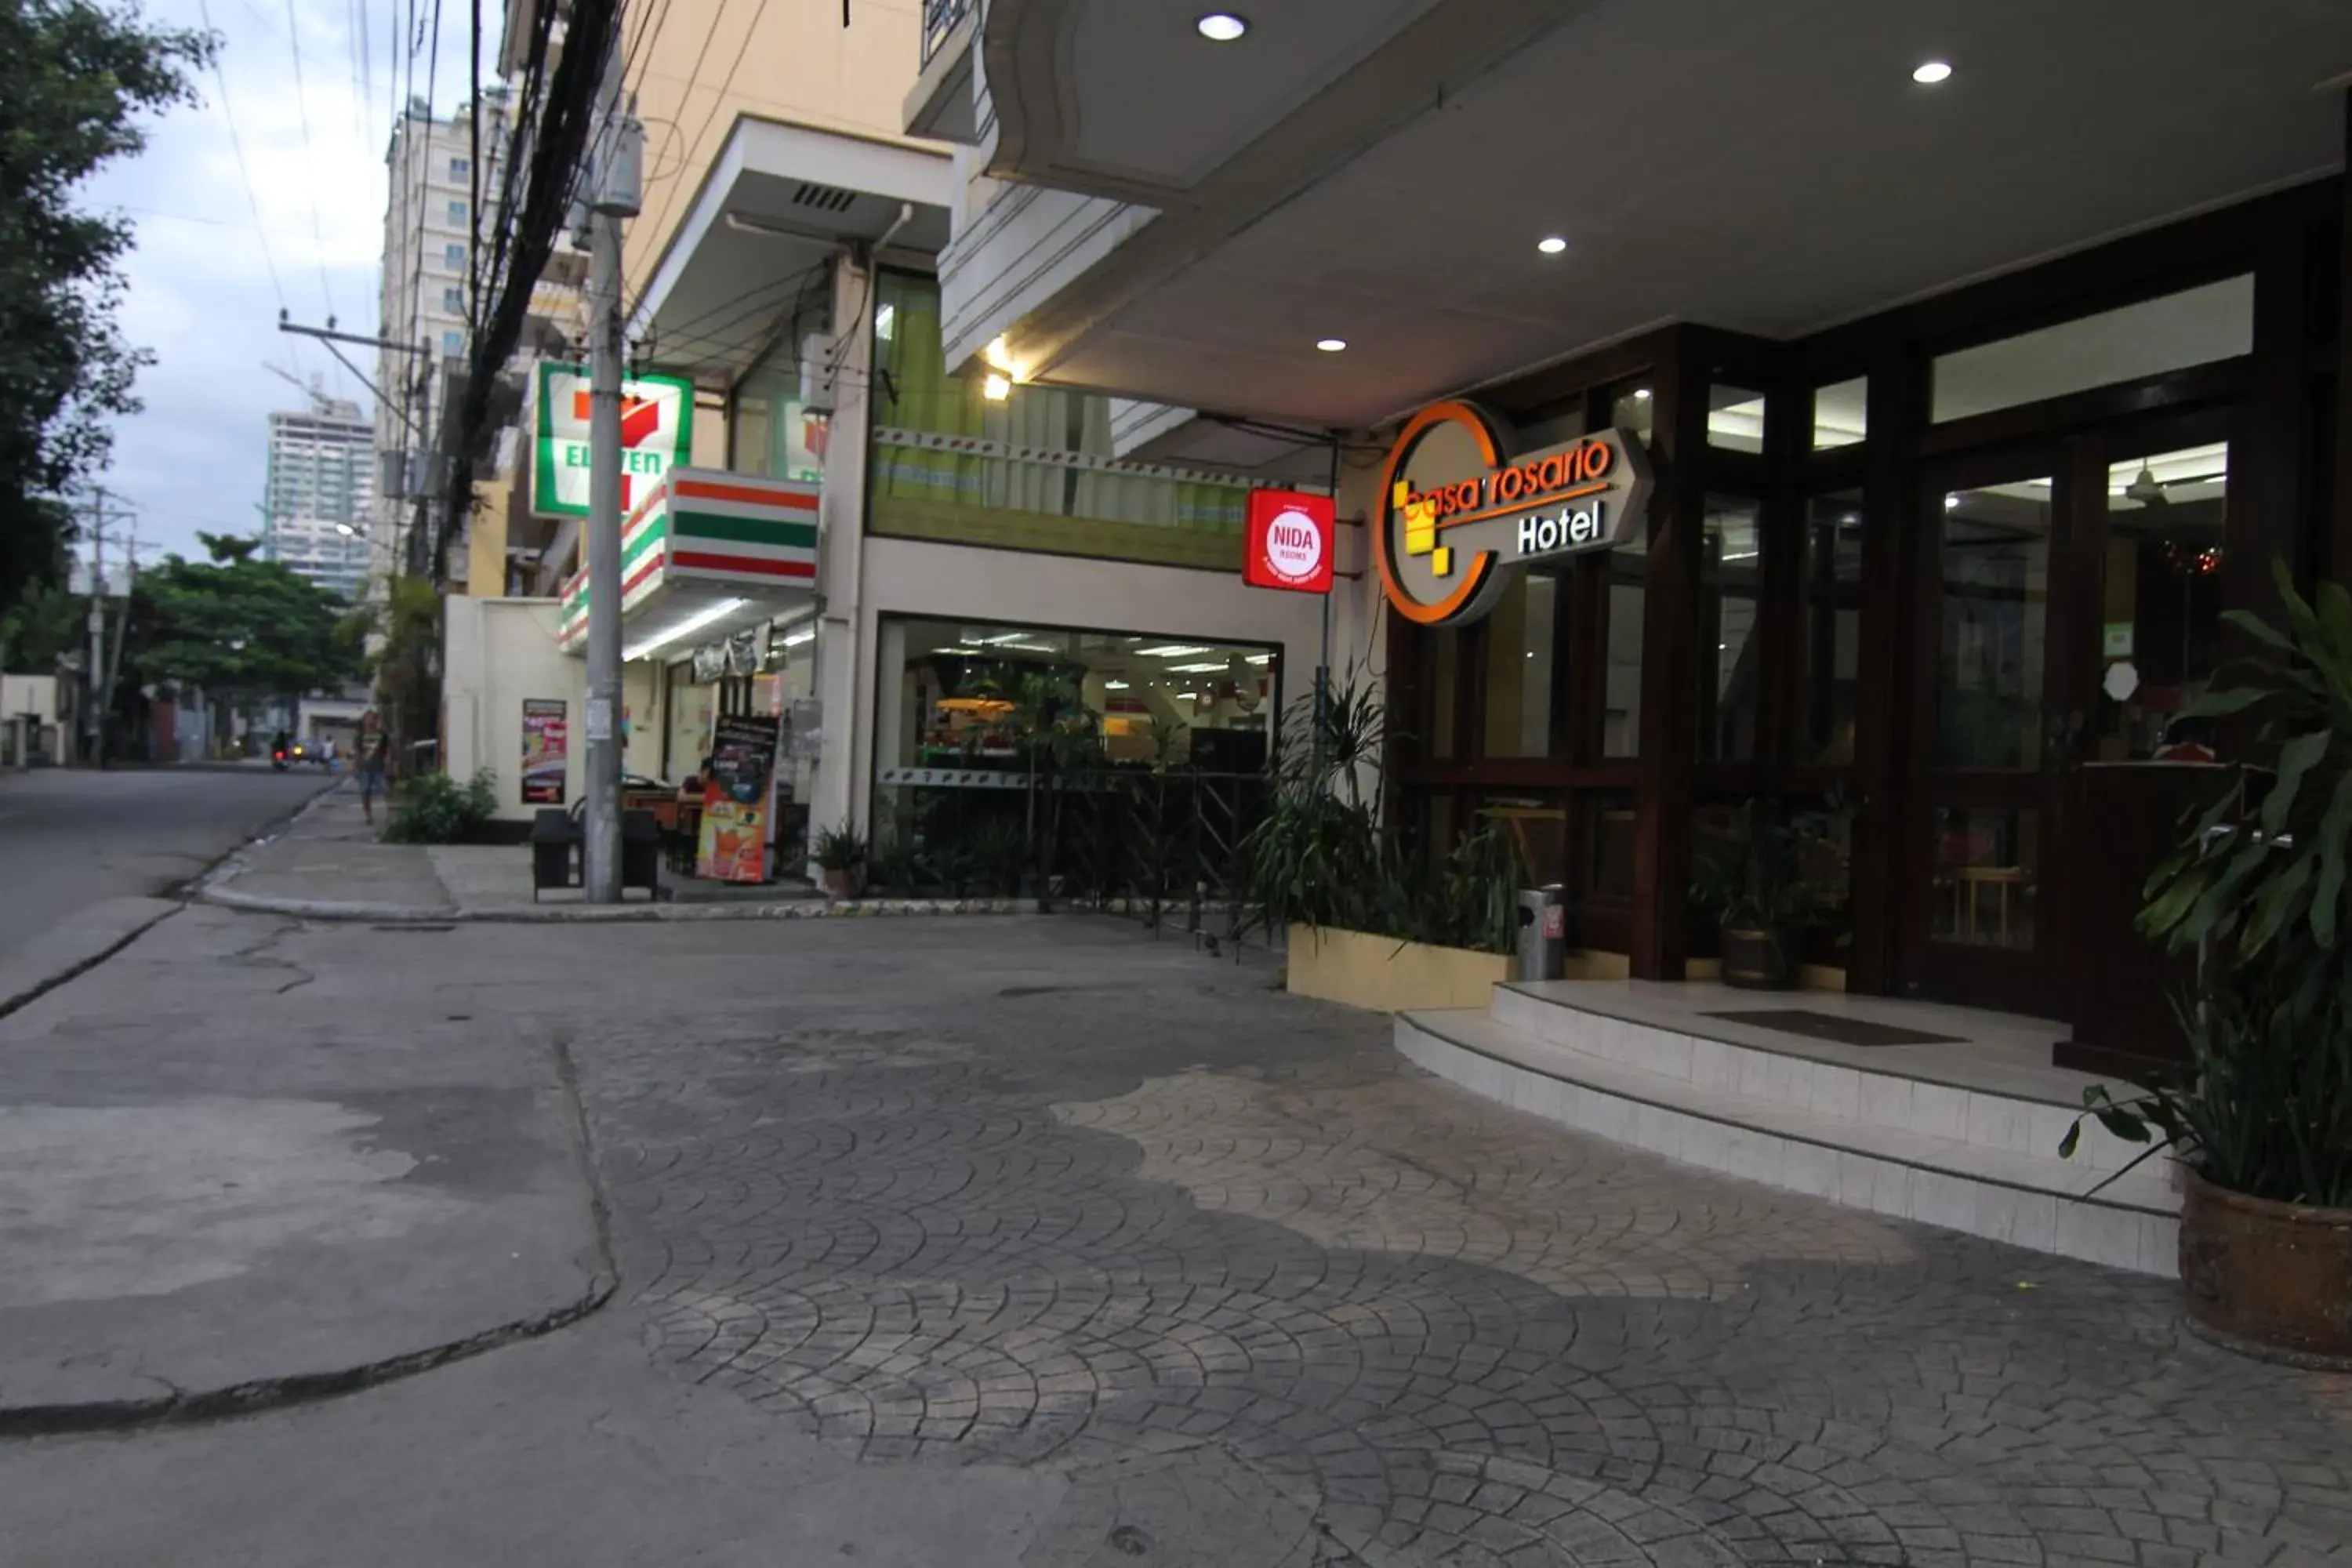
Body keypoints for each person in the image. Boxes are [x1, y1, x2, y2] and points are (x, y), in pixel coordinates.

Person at [356, 712, 390, 825]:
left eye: (372, 719)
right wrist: (356, 767)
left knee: (386, 790)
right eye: (367, 719)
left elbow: (388, 749)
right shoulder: (361, 735)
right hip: (365, 768)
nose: (369, 722)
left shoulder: (382, 735)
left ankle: (390, 814)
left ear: (376, 721)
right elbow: (358, 752)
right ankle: (369, 816)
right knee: (365, 792)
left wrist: (388, 761)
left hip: (379, 767)